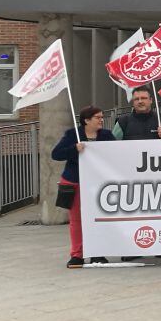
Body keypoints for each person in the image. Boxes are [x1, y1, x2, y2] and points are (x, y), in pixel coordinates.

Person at [52, 106, 114, 268]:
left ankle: (97, 253)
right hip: (75, 182)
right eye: (97, 117)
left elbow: (117, 153)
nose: (101, 119)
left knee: (99, 219)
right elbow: (56, 154)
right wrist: (74, 149)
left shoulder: (106, 135)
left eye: (102, 117)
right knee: (77, 220)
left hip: (98, 183)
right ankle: (77, 255)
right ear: (86, 120)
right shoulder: (73, 135)